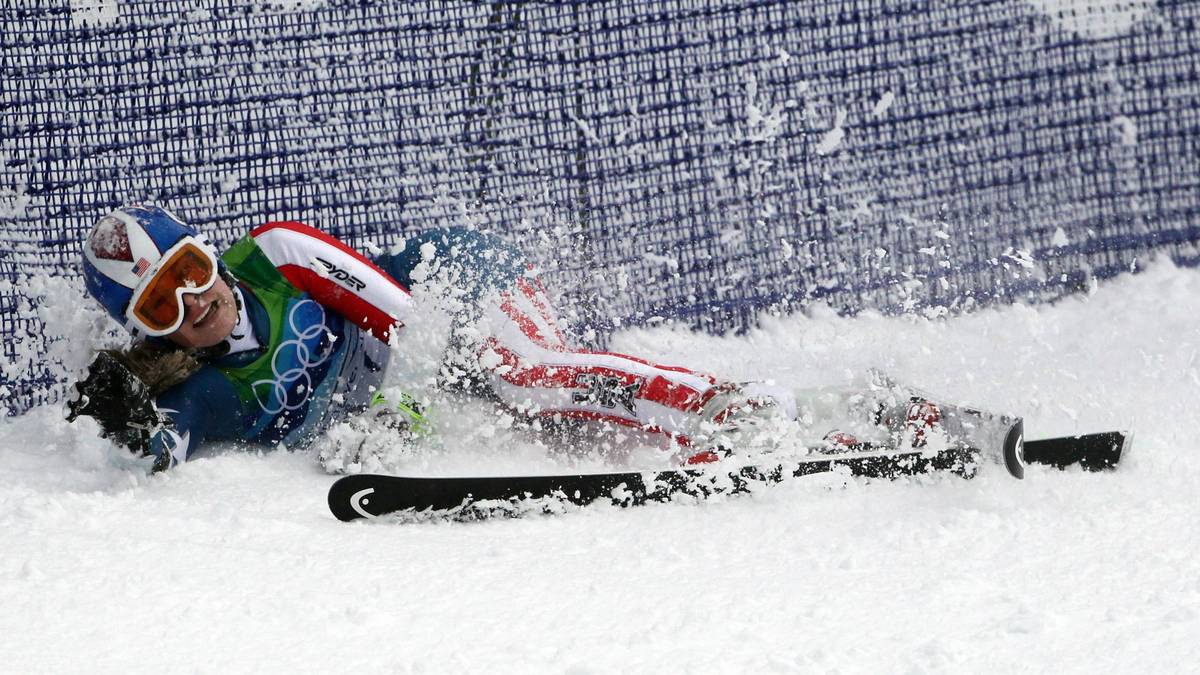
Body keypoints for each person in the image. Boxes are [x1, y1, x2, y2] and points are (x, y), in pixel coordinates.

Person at [67, 204, 842, 473]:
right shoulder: (211, 388)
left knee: (523, 376)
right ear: (149, 331)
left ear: (208, 250)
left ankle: (732, 410)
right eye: (165, 304)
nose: (197, 300)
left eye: (191, 268)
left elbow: (416, 320)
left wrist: (402, 416)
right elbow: (162, 446)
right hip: (442, 372)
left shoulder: (276, 255)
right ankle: (812, 411)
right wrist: (126, 423)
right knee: (549, 418)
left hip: (454, 287)